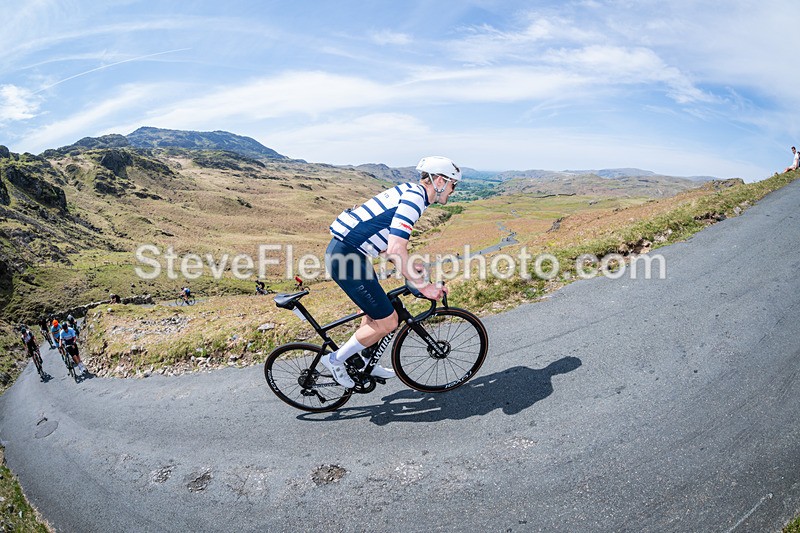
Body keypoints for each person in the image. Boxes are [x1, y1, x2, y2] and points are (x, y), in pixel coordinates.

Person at [322, 155, 459, 387]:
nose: (453, 191)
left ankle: (366, 362)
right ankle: (335, 360)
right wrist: (424, 286)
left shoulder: (411, 192)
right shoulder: (415, 199)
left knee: (376, 314)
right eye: (453, 185)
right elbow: (397, 247)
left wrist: (407, 265)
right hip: (347, 257)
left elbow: (384, 239)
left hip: (351, 254)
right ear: (439, 181)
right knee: (388, 322)